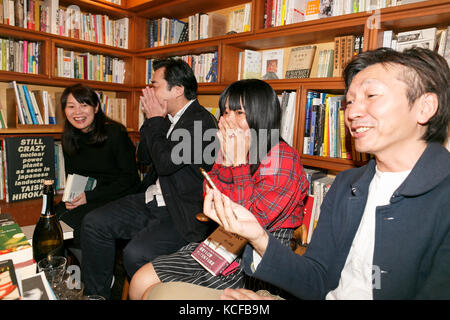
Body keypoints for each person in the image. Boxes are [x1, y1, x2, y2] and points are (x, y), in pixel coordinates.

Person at [146, 47, 450, 300]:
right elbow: (317, 278)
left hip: (241, 253)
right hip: (229, 246)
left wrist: (250, 218)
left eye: (371, 96)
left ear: (425, 107)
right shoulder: (348, 184)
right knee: (154, 290)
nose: (353, 112)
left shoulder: (280, 157)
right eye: (350, 101)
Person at [129, 79, 309, 300]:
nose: (227, 120)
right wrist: (228, 161)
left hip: (258, 257)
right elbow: (209, 196)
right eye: (225, 112)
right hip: (221, 241)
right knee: (140, 281)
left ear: (261, 116)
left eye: (239, 113)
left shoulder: (282, 158)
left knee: (154, 294)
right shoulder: (230, 150)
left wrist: (238, 164)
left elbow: (250, 223)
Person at [80, 59, 218, 299]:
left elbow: (165, 163)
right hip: (153, 198)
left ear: (177, 90)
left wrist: (154, 120)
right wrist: (156, 120)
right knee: (94, 222)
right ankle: (98, 294)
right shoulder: (167, 117)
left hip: (181, 210)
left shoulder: (201, 121)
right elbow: (143, 156)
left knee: (136, 254)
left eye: (154, 85)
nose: (150, 91)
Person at [55, 84, 140, 249]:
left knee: (82, 224)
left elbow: (130, 179)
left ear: (96, 108)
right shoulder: (69, 137)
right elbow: (73, 177)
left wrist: (89, 197)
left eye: (84, 105)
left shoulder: (115, 133)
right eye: (71, 106)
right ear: (65, 110)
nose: (77, 112)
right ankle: (59, 270)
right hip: (89, 196)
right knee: (51, 219)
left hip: (120, 195)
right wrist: (71, 197)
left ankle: (100, 272)